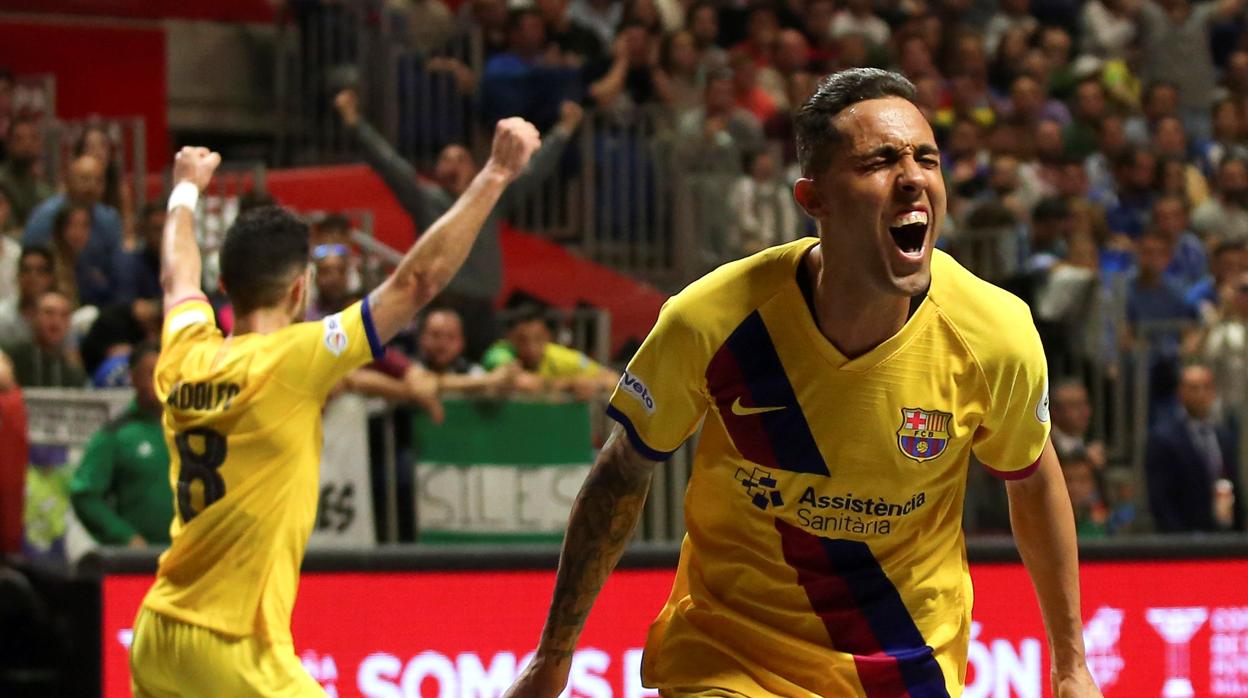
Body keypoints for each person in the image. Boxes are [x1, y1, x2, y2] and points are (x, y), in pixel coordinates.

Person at [505, 69, 1099, 698]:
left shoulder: (994, 334)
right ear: (813, 199)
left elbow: (1030, 476)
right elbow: (625, 469)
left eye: (927, 158)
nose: (913, 178)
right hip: (729, 657)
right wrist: (554, 653)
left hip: (904, 665)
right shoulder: (714, 320)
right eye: (879, 161)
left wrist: (1070, 663)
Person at [129, 118, 540, 695]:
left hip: (156, 631)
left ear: (225, 285)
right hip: (234, 643)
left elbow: (176, 276)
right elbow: (415, 281)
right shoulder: (297, 358)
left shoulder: (184, 351)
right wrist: (496, 173)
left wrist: (185, 190)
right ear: (300, 290)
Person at [334, 88, 581, 360]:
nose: (452, 165)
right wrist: (353, 121)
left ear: (475, 168)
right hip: (440, 307)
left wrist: (563, 130)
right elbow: (389, 164)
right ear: (437, 170)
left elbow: (534, 171)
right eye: (445, 159)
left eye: (460, 159)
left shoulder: (492, 198)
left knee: (499, 372)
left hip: (482, 312)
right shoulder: (424, 199)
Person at [69, 342, 172, 547]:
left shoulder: (192, 432)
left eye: (168, 372)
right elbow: (85, 494)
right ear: (133, 378)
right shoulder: (117, 434)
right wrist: (124, 537)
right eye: (152, 374)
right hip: (138, 564)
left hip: (190, 561)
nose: (161, 382)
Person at [1145, 364, 1245, 532]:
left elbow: (1235, 488)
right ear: (1180, 392)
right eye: (1193, 388)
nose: (1200, 394)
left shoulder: (1223, 437)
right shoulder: (1163, 439)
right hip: (1184, 543)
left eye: (1206, 387)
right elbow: (1160, 500)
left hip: (1224, 537)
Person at [482, 305, 620, 399]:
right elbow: (523, 384)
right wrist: (571, 384)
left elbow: (613, 379)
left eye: (538, 339)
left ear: (548, 337)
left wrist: (594, 385)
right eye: (522, 340)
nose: (531, 348)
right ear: (509, 337)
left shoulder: (558, 356)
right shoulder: (499, 353)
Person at [2, 290, 86, 388]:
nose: (56, 322)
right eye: (49, 313)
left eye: (64, 315)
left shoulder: (72, 371)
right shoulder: (9, 356)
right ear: (33, 316)